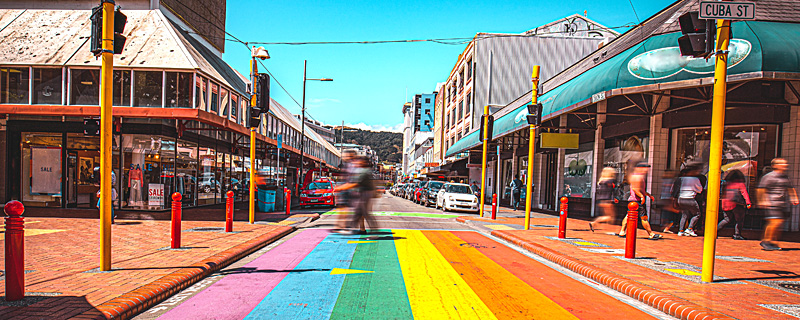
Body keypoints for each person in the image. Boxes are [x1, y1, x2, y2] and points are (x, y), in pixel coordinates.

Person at [757, 158, 798, 250]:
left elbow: (790, 188)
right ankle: (766, 241)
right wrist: (762, 200)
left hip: (781, 203)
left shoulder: (784, 177)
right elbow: (761, 189)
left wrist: (794, 197)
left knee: (779, 223)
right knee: (775, 222)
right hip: (771, 203)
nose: (785, 165)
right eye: (781, 164)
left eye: (785, 164)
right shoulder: (768, 177)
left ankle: (772, 241)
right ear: (775, 165)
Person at [618, 162, 662, 239]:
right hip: (636, 201)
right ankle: (651, 234)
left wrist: (648, 195)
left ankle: (622, 231)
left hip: (633, 200)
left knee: (628, 215)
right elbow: (635, 189)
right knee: (644, 217)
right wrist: (642, 197)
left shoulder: (637, 176)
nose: (646, 170)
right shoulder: (638, 177)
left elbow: (640, 189)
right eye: (645, 168)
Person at [334, 156, 377, 234]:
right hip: (362, 194)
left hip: (365, 194)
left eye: (359, 161)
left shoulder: (364, 172)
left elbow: (354, 184)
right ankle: (360, 229)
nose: (357, 162)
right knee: (360, 213)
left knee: (364, 213)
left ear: (364, 162)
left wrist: (341, 188)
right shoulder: (362, 171)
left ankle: (372, 231)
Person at [718, 170, 752, 240]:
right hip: (736, 203)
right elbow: (744, 193)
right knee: (739, 220)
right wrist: (748, 203)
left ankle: (715, 231)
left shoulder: (726, 183)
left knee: (727, 219)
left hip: (725, 202)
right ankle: (737, 234)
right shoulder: (740, 183)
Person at [676, 165, 703, 237]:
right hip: (690, 198)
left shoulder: (681, 179)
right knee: (697, 214)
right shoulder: (695, 179)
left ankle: (680, 230)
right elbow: (700, 190)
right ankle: (690, 228)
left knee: (684, 214)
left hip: (681, 198)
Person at [590, 167, 616, 232]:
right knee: (610, 217)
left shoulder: (601, 181)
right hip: (607, 200)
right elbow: (611, 190)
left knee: (607, 216)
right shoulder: (610, 181)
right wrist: (613, 199)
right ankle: (597, 224)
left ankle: (601, 226)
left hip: (601, 200)